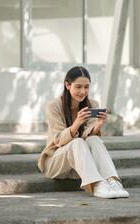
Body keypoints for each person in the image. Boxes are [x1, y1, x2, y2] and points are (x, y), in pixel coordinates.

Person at [38, 66, 129, 199]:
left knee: (94, 139)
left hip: (80, 167)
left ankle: (113, 181)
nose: (83, 91)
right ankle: (97, 185)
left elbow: (90, 138)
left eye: (87, 87)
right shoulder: (54, 106)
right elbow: (58, 140)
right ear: (67, 86)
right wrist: (77, 123)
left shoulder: (92, 104)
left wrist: (97, 126)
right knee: (77, 142)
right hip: (56, 165)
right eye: (78, 87)